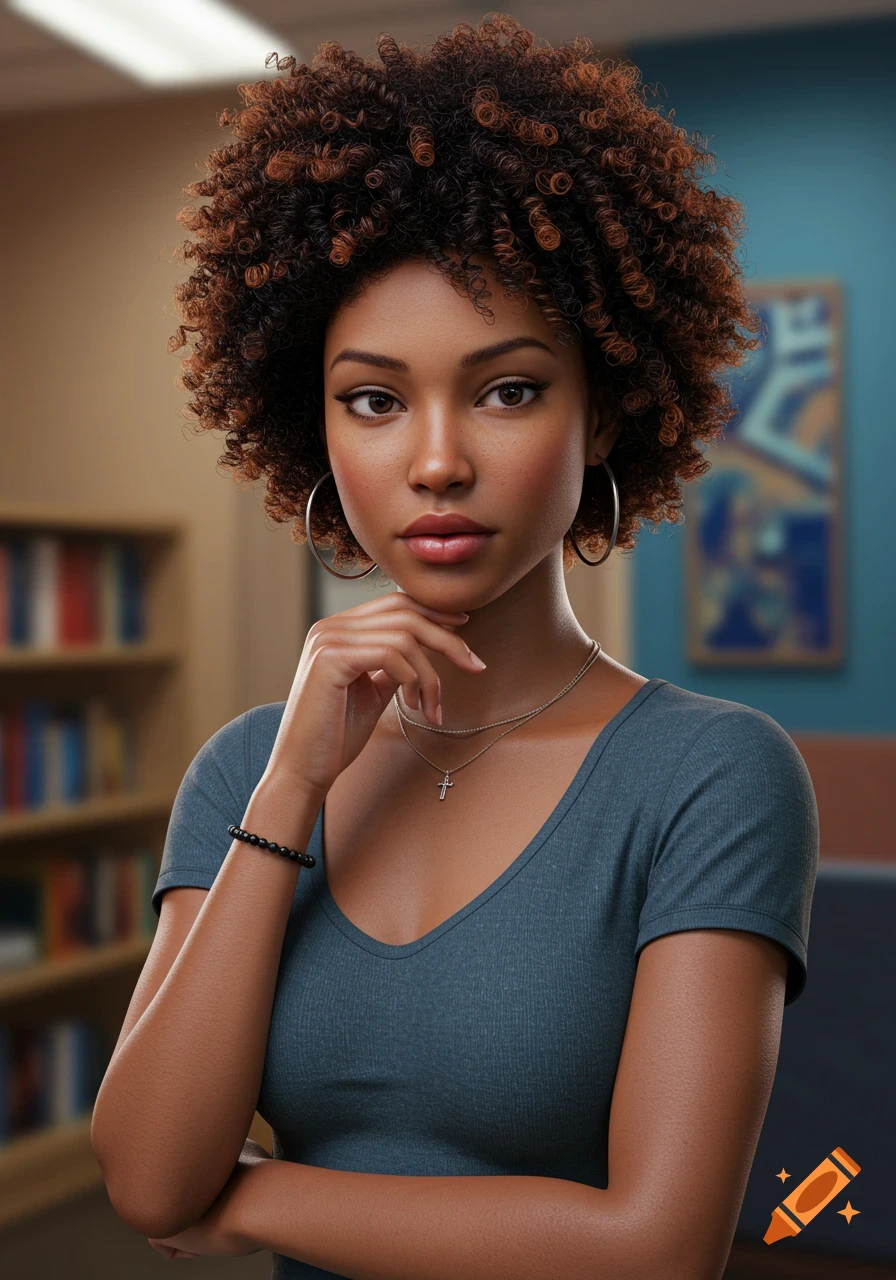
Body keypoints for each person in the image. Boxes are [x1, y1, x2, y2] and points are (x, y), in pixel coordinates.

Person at [90, 15, 819, 1279]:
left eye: (507, 389)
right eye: (373, 399)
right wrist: (292, 791)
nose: (434, 459)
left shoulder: (711, 776)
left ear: (602, 417)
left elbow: (656, 1249)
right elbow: (148, 1174)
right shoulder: (245, 773)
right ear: (313, 431)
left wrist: (252, 1202)